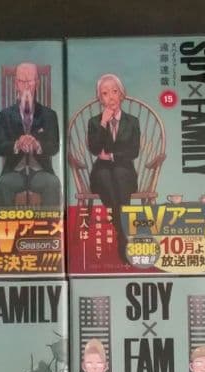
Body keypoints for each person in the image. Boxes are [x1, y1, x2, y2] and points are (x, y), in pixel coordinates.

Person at [0, 62, 61, 207]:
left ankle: (51, 222)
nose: (26, 86)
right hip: (14, 171)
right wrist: (17, 144)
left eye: (30, 81)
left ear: (37, 83)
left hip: (41, 171)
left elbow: (54, 147)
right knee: (2, 184)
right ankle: (5, 223)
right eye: (22, 81)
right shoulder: (5, 115)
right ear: (15, 84)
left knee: (53, 183)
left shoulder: (49, 115)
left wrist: (37, 145)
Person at [87, 73, 140, 260]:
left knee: (118, 172)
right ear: (100, 99)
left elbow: (133, 151)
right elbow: (94, 149)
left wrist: (111, 155)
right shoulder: (95, 122)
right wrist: (103, 123)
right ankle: (123, 233)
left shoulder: (132, 121)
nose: (110, 97)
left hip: (125, 173)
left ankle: (120, 233)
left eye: (114, 91)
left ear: (122, 94)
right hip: (101, 174)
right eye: (105, 93)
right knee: (107, 176)